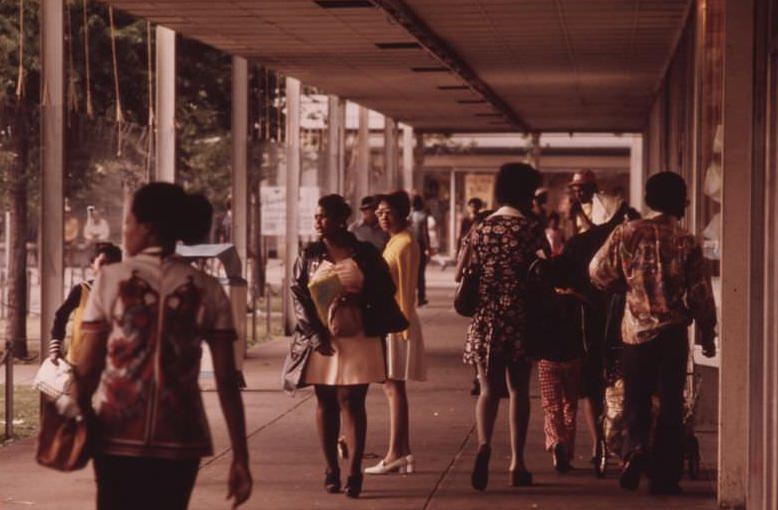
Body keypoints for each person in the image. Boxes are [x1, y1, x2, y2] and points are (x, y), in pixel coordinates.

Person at [74, 183, 252, 509]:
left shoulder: (111, 280)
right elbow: (227, 381)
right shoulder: (208, 288)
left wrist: (73, 416)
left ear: (148, 228)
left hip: (117, 434)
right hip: (181, 436)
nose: (124, 231)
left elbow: (87, 369)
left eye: (128, 222)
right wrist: (240, 458)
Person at [590, 171, 717, 494]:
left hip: (635, 333)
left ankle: (635, 450)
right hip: (673, 333)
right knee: (671, 403)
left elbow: (597, 272)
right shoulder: (685, 239)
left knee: (637, 398)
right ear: (680, 201)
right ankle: (664, 476)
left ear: (648, 200)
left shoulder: (627, 232)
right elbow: (700, 292)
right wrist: (707, 331)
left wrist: (625, 287)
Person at [284, 194, 405, 498]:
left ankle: (353, 471)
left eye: (322, 216)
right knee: (325, 402)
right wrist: (314, 336)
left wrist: (358, 297)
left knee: (353, 401)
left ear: (340, 219)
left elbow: (387, 288)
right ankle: (330, 469)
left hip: (359, 334)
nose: (317, 222)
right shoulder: (308, 254)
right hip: (323, 338)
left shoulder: (364, 253)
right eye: (315, 216)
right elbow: (298, 296)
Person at [463, 162, 545, 491]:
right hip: (520, 318)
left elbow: (463, 271)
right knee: (518, 391)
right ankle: (517, 463)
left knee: (487, 390)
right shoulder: (530, 229)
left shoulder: (480, 228)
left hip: (485, 319)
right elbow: (543, 272)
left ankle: (483, 445)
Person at [365, 191, 427, 475]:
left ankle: (393, 454)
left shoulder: (403, 244)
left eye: (388, 211)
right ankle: (404, 451)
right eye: (379, 212)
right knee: (394, 387)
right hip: (396, 320)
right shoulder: (398, 242)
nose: (382, 216)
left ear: (403, 213)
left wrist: (399, 329)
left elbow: (404, 291)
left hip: (396, 321)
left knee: (393, 388)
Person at [49, 242, 122, 363]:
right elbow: (61, 315)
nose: (106, 269)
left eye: (112, 264)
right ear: (93, 265)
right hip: (79, 361)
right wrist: (55, 348)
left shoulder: (124, 294)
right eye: (102, 263)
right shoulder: (81, 290)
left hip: (111, 363)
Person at [409, 195, 430, 306]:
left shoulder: (408, 216)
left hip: (409, 244)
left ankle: (411, 297)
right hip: (420, 245)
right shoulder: (423, 216)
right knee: (420, 273)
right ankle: (421, 298)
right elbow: (424, 234)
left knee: (410, 272)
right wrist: (428, 248)